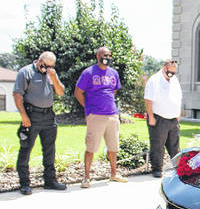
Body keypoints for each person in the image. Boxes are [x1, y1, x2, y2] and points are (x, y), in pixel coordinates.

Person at [13, 51, 67, 195]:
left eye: (50, 66)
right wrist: (24, 116)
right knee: (26, 149)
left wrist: (54, 77)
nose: (46, 69)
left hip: (48, 115)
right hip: (31, 115)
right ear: (38, 61)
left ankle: (50, 181)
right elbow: (17, 94)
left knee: (50, 150)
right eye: (44, 66)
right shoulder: (25, 72)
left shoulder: (51, 74)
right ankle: (24, 183)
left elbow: (61, 92)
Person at [75, 47, 128, 187]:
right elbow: (78, 92)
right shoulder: (88, 73)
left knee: (113, 147)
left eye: (110, 55)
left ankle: (114, 174)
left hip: (112, 115)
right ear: (98, 56)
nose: (108, 57)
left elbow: (114, 90)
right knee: (91, 147)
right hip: (95, 116)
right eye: (105, 55)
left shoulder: (113, 73)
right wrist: (88, 108)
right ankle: (86, 177)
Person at [144, 59, 182, 177]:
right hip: (158, 118)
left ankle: (177, 167)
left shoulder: (174, 80)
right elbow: (148, 99)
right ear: (165, 68)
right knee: (157, 145)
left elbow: (178, 98)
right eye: (170, 72)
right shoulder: (154, 80)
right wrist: (151, 116)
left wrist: (178, 114)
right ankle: (157, 168)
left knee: (174, 146)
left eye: (174, 72)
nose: (172, 74)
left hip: (173, 119)